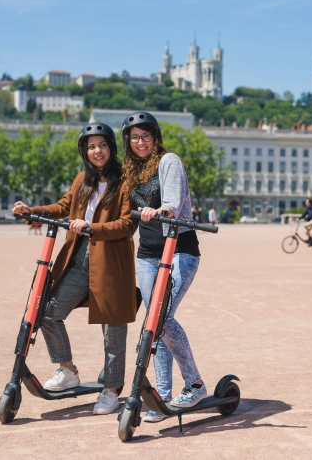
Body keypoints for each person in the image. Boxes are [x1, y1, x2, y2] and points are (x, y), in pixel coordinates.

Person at [11, 122, 137, 416]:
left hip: (111, 261)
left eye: (102, 145)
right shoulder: (83, 179)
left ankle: (111, 389)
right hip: (78, 258)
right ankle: (68, 370)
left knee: (113, 331)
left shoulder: (126, 181)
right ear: (85, 151)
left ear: (111, 147)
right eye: (92, 146)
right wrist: (33, 212)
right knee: (49, 312)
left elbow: (128, 224)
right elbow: (62, 206)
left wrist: (93, 228)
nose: (97, 151)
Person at [120, 111, 206, 423]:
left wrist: (161, 210)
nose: (140, 142)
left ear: (155, 138)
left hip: (180, 248)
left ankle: (195, 384)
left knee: (162, 317)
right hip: (148, 253)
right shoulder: (130, 172)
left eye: (145, 136)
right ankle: (163, 395)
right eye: (134, 137)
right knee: (153, 323)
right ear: (128, 143)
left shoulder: (169, 161)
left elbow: (173, 201)